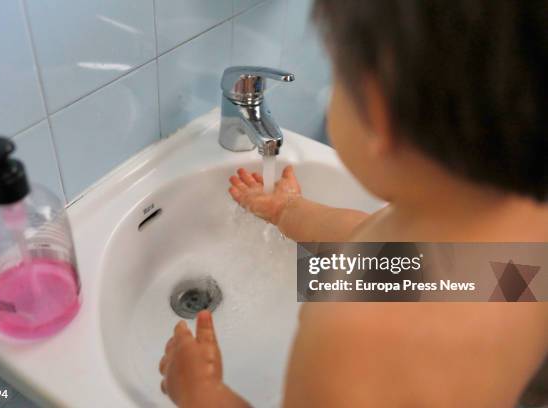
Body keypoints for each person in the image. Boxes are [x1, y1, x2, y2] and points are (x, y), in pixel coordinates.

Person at [159, 0, 548, 406]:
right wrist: (286, 211)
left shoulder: (351, 336)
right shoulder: (517, 223)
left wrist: (201, 393)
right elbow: (396, 262)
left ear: (378, 110)